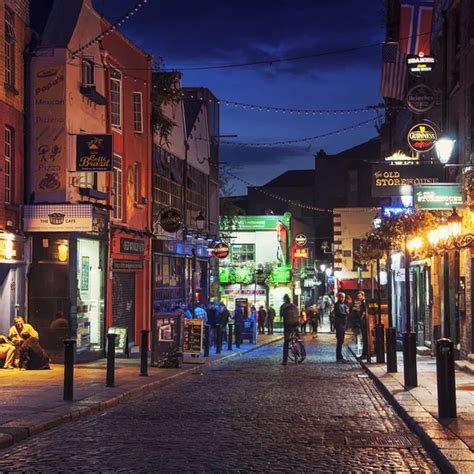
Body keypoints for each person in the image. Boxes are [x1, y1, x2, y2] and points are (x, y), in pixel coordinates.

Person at [280, 294, 300, 365]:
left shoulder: (283, 306)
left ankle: (284, 360)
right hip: (295, 324)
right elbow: (298, 315)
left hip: (287, 325)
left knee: (286, 342)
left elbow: (281, 316)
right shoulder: (294, 306)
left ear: (284, 299)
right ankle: (302, 353)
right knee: (298, 338)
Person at [334, 292, 350, 363]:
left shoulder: (344, 304)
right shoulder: (337, 305)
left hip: (343, 324)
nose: (343, 299)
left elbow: (348, 310)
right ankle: (339, 357)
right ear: (339, 297)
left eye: (344, 297)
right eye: (342, 297)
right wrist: (346, 313)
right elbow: (341, 313)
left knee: (341, 341)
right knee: (340, 340)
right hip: (339, 324)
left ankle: (340, 356)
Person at [350, 291, 366, 356]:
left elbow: (364, 312)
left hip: (363, 322)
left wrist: (361, 318)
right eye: (358, 296)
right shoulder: (361, 303)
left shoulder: (364, 302)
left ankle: (364, 353)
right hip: (360, 322)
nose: (358, 297)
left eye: (359, 296)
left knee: (364, 338)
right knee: (362, 338)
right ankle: (364, 353)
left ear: (363, 296)